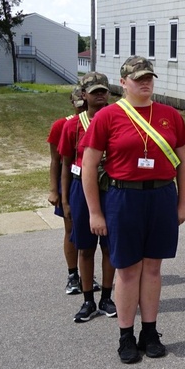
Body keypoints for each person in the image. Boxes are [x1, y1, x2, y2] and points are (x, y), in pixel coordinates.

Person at [82, 56, 185, 363]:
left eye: (149, 78)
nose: (145, 82)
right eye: (138, 78)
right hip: (123, 198)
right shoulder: (108, 117)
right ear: (124, 82)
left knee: (153, 268)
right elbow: (89, 166)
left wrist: (183, 202)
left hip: (161, 197)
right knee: (128, 270)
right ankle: (126, 335)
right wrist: (95, 212)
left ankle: (150, 331)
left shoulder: (170, 115)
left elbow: (183, 163)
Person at [58, 73, 116, 321]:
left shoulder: (117, 119)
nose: (99, 95)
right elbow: (65, 163)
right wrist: (65, 200)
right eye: (94, 91)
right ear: (84, 95)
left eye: (103, 90)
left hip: (110, 188)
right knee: (85, 246)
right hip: (80, 188)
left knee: (109, 247)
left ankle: (106, 297)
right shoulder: (72, 125)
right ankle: (87, 300)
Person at [50, 86, 88, 295]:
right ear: (72, 102)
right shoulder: (62, 125)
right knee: (71, 230)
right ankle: (73, 274)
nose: (82, 109)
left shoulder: (98, 122)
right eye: (78, 105)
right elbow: (56, 161)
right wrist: (54, 190)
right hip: (71, 183)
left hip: (92, 182)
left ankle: (88, 277)